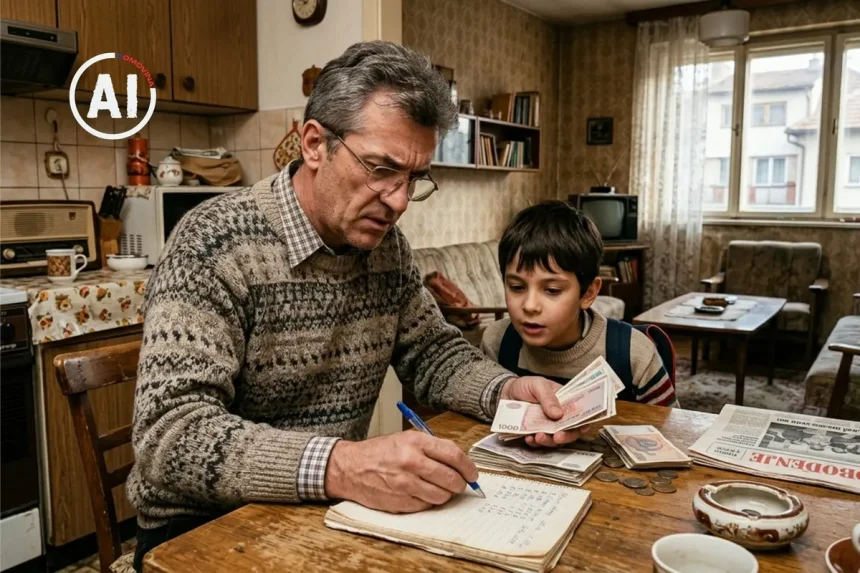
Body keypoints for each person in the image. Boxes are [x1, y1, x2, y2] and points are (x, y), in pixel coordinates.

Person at [128, 41, 581, 570]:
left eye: (413, 178)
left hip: (323, 511)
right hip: (199, 530)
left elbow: (433, 354)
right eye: (381, 169)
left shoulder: (387, 249)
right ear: (315, 144)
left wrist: (505, 390)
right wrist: (342, 466)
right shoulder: (213, 242)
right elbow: (169, 434)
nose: (399, 201)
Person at [481, 201, 678, 407]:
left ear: (588, 293)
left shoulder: (634, 355)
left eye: (552, 290)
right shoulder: (497, 342)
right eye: (517, 287)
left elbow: (671, 430)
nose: (530, 306)